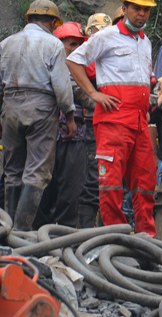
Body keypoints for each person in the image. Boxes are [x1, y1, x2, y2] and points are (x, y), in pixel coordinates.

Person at [66, 0, 158, 236]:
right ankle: (113, 236)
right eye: (136, 8)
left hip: (139, 122)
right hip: (114, 121)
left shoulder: (145, 42)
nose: (141, 13)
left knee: (145, 181)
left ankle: (146, 238)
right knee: (111, 183)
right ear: (125, 7)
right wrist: (94, 93)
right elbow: (74, 60)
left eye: (146, 9)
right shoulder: (107, 36)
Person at [0, 0, 76, 230]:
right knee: (37, 172)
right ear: (53, 22)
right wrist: (70, 117)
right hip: (41, 108)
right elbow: (62, 86)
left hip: (10, 106)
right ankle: (21, 232)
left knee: (12, 171)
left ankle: (6, 231)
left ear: (28, 18)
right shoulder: (53, 45)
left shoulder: (5, 44)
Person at [35, 22, 93, 228]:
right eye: (71, 44)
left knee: (71, 189)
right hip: (47, 134)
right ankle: (37, 236)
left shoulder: (86, 72)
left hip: (75, 137)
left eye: (79, 45)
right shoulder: (43, 66)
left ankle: (64, 237)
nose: (76, 49)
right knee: (42, 187)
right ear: (58, 45)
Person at [78, 12, 112, 228]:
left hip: (113, 122)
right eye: (95, 31)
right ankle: (86, 230)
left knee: (109, 178)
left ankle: (102, 230)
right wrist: (99, 100)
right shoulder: (85, 56)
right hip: (91, 122)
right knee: (93, 177)